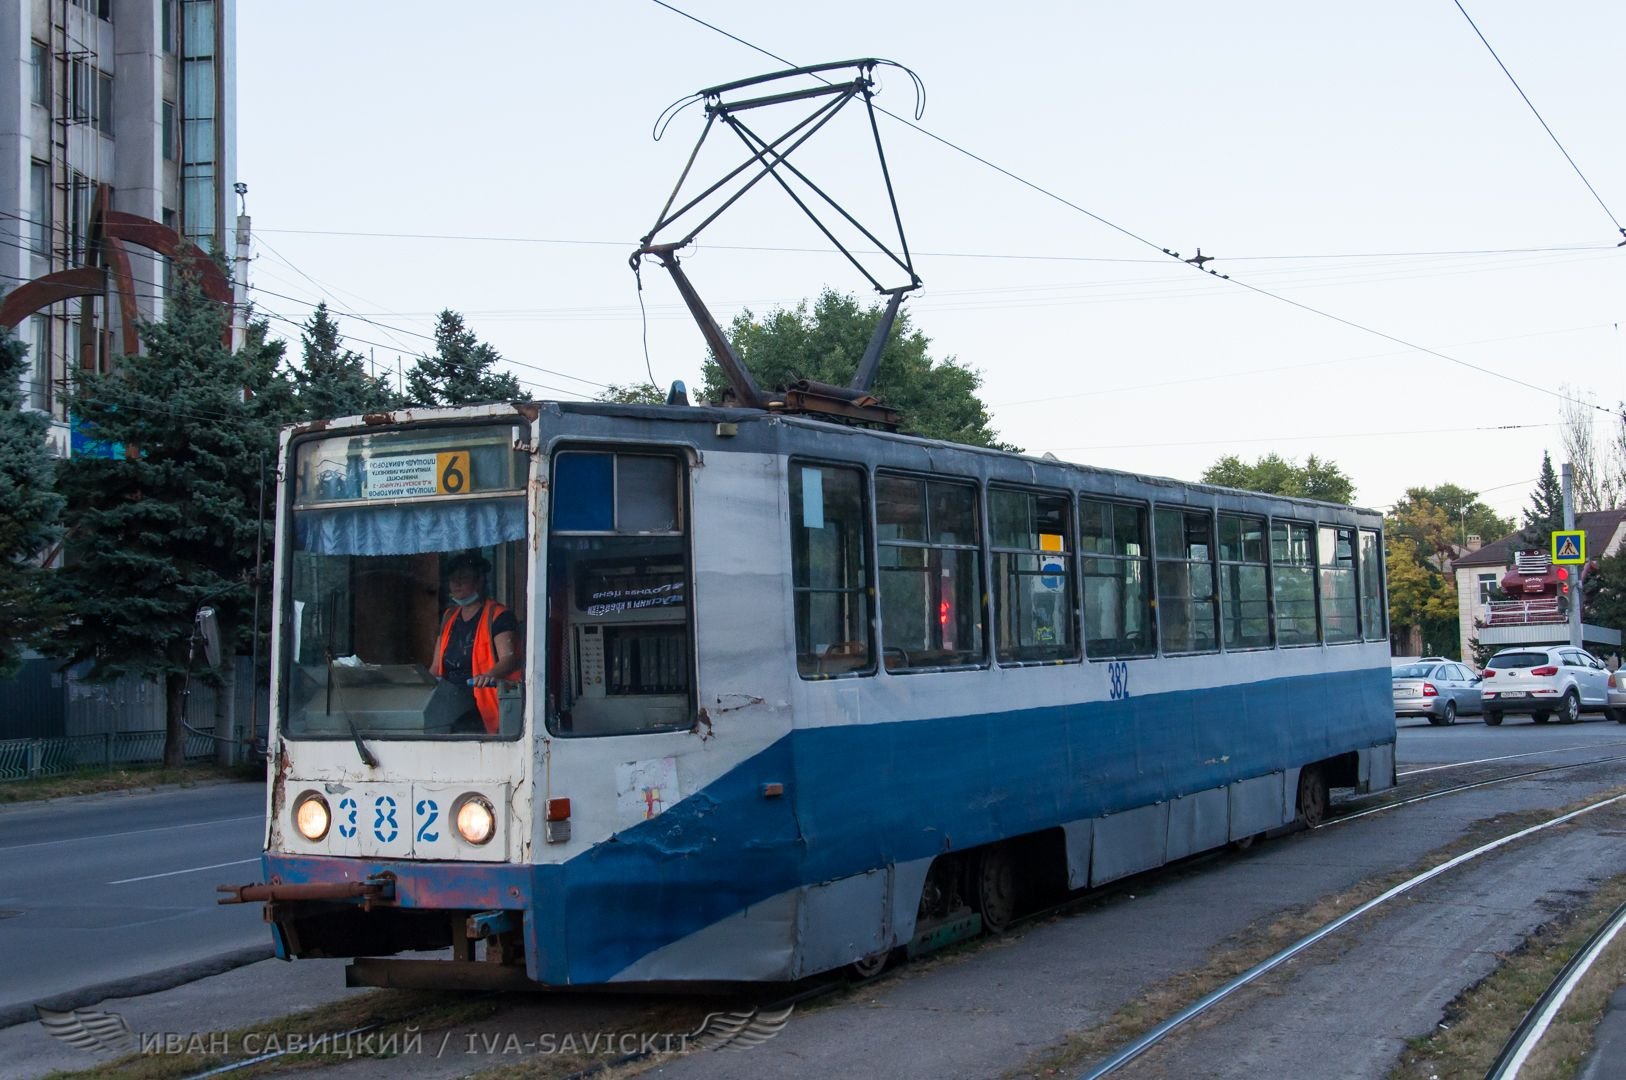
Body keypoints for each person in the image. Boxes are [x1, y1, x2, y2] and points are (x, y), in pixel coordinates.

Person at [430, 553, 521, 733]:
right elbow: (435, 666)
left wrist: (489, 675)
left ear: (479, 580)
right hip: (448, 700)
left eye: (463, 578)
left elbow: (509, 659)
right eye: (453, 579)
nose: (457, 583)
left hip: (482, 702)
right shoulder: (449, 617)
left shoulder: (499, 615)